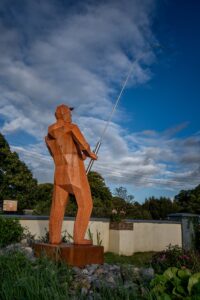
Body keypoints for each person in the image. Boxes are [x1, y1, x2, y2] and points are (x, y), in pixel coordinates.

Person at [45, 104, 97, 245]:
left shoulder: (48, 137)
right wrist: (89, 153)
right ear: (64, 114)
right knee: (86, 204)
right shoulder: (71, 127)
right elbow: (84, 145)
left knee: (57, 206)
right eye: (69, 113)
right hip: (74, 172)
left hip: (60, 173)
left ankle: (54, 238)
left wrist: (80, 155)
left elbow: (57, 153)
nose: (71, 116)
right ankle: (79, 238)